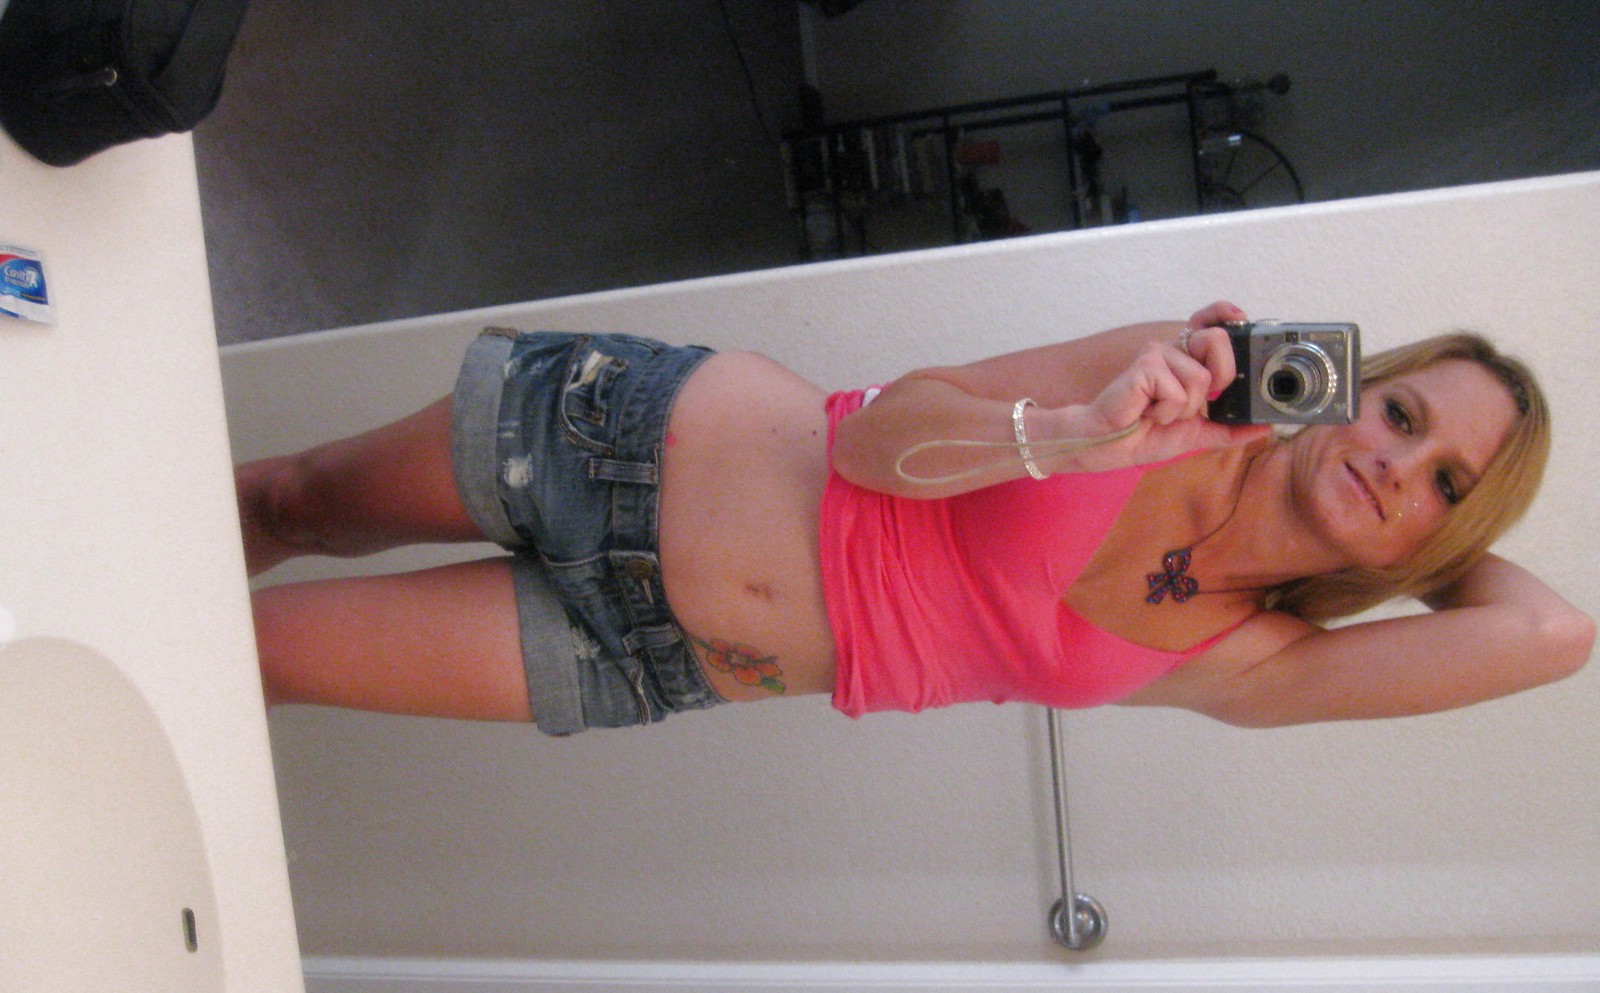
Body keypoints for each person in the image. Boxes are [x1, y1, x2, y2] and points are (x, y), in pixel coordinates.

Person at [238, 301, 1593, 733]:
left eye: (1445, 489)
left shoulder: (1252, 661)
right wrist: (1075, 435)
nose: (1398, 466)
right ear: (1359, 388)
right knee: (287, 499)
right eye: (1402, 416)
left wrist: (1438, 548)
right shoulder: (1161, 383)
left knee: (255, 660)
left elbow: (1552, 633)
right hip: (633, 444)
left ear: (1440, 544)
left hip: (648, 658)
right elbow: (876, 442)